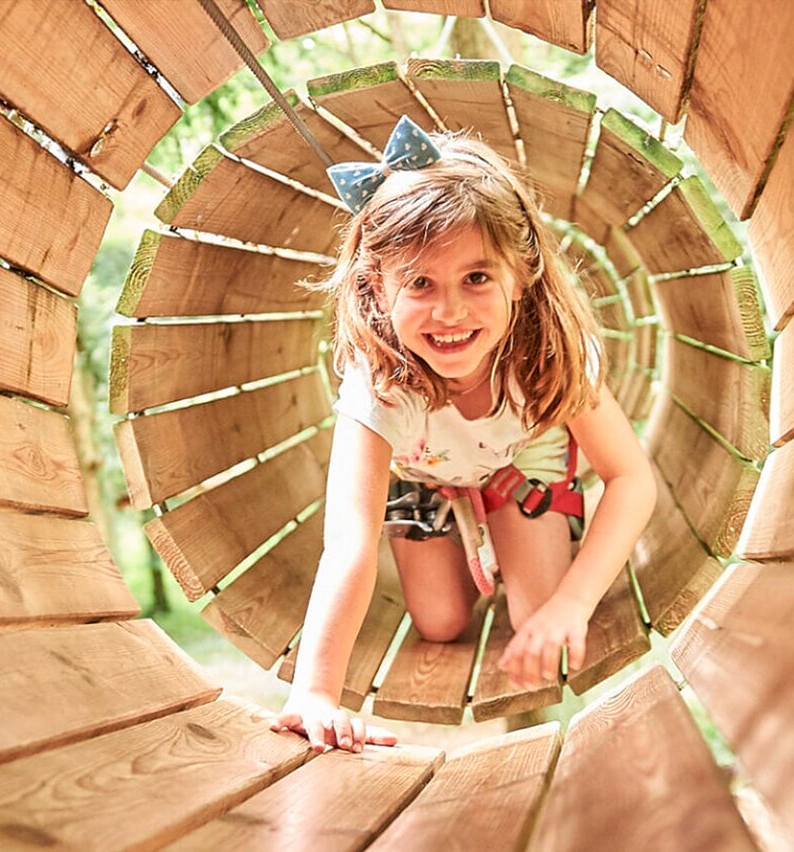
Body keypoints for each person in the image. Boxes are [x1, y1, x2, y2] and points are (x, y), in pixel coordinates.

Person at [270, 116, 657, 753]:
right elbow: (348, 538)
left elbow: (630, 476)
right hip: (424, 473)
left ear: (520, 274)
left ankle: (519, 525)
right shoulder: (380, 383)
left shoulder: (548, 354)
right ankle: (466, 527)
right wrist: (316, 691)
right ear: (377, 288)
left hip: (519, 461)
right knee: (442, 622)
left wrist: (574, 604)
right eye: (420, 283)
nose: (449, 312)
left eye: (476, 278)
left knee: (538, 620)